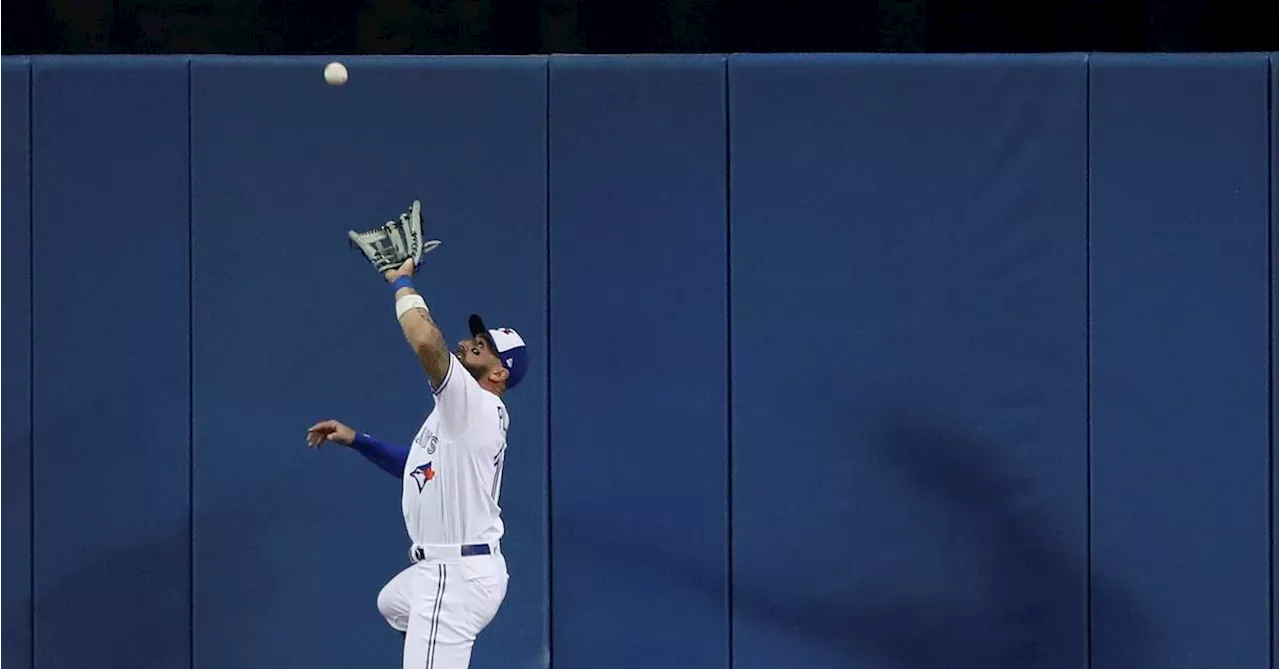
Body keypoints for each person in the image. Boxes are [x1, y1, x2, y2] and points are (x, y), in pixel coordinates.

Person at [306, 255, 528, 669]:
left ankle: (442, 634)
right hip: (459, 569)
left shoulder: (473, 403)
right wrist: (359, 441)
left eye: (479, 349)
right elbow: (422, 470)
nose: (465, 344)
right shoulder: (460, 414)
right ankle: (441, 638)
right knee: (392, 603)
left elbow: (426, 340)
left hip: (454, 575)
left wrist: (401, 281)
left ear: (498, 375)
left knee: (425, 612)